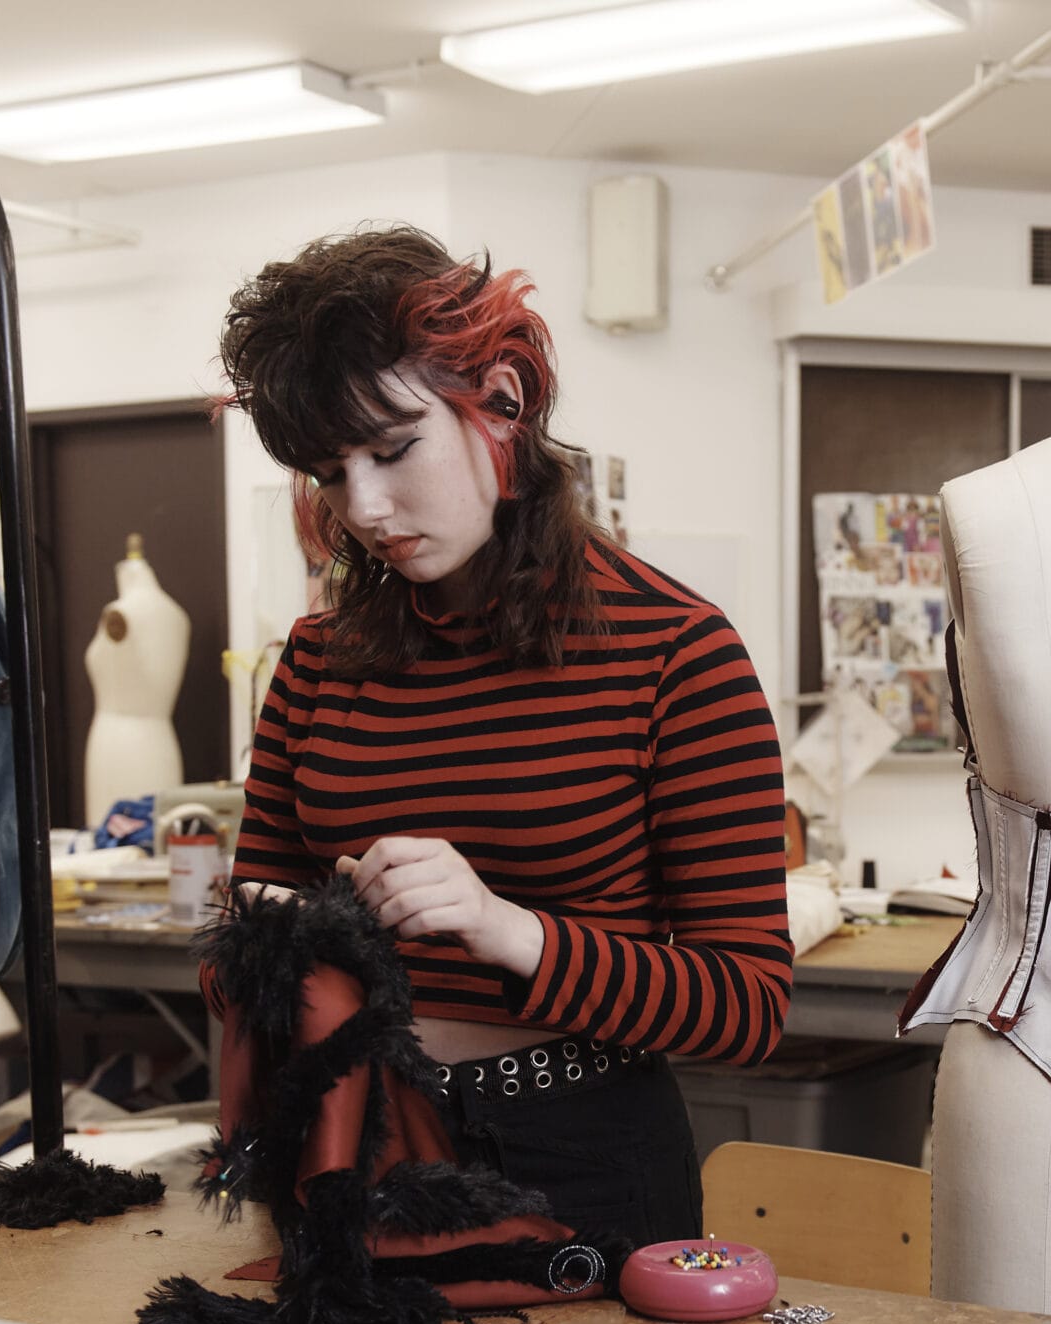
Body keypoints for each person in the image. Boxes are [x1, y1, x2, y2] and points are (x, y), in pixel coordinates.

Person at [219, 226, 790, 1246]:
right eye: (329, 472)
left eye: (393, 449)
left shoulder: (676, 651)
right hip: (355, 1140)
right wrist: (283, 937)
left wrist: (505, 928)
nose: (365, 507)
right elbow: (243, 932)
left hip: (576, 1161)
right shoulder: (315, 659)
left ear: (502, 402)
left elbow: (745, 1008)